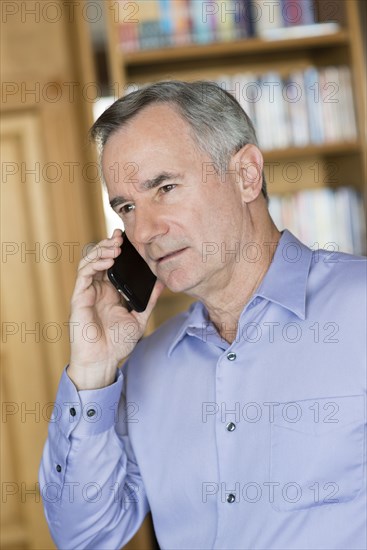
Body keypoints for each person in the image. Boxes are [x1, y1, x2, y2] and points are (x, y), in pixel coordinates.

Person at [39, 81, 366, 550]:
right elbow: (84, 535)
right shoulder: (145, 367)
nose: (145, 231)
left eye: (166, 187)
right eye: (127, 207)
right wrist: (92, 374)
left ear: (247, 175)